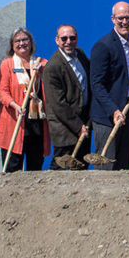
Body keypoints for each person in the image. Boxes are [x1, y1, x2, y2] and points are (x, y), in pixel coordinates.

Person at [89, 1, 129, 170]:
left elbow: (126, 73)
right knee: (106, 167)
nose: (124, 22)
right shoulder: (103, 46)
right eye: (120, 18)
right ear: (113, 19)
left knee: (122, 166)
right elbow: (97, 84)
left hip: (125, 112)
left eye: (128, 17)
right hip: (107, 117)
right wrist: (113, 110)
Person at [0, 28, 50, 172]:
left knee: (35, 165)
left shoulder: (42, 63)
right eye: (17, 41)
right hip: (14, 121)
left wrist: (43, 72)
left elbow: (51, 87)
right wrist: (14, 105)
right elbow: (2, 91)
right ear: (12, 45)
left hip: (36, 121)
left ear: (31, 42)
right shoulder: (7, 64)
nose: (21, 43)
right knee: (12, 166)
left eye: (25, 40)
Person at [43, 24, 90, 169]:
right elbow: (58, 104)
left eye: (72, 38)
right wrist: (78, 127)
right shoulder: (53, 67)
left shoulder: (80, 54)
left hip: (84, 121)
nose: (68, 42)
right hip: (64, 127)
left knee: (81, 166)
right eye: (64, 38)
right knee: (60, 166)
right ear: (57, 40)